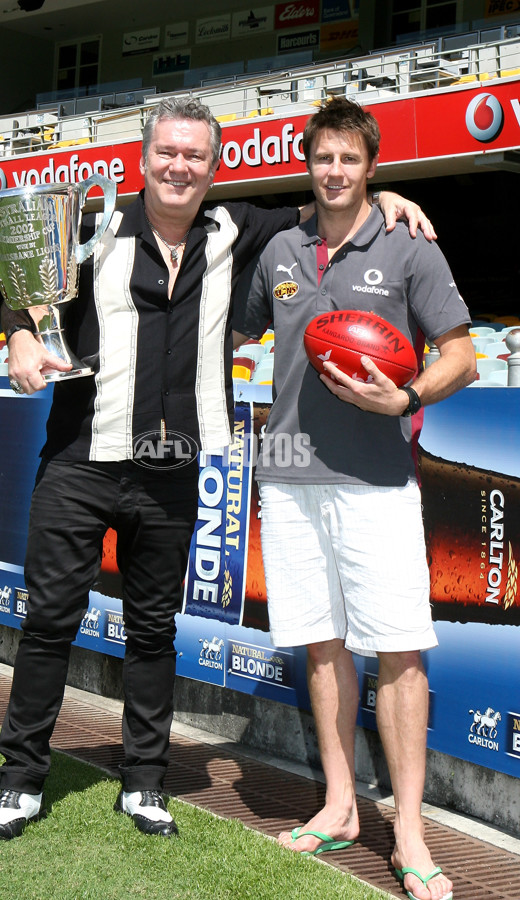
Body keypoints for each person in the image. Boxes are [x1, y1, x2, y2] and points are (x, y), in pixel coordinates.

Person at [0, 95, 436, 843]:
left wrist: (381, 193)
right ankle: (20, 781)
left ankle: (145, 782)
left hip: (172, 467)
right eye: (168, 152)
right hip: (80, 461)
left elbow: (329, 204)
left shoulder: (239, 230)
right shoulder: (91, 230)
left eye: (195, 155)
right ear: (143, 159)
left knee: (154, 631)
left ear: (214, 166)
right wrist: (22, 340)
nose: (179, 166)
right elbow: (24, 295)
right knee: (49, 622)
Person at [234, 96, 475, 900]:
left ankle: (408, 831)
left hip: (376, 484)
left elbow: (461, 354)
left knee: (399, 652)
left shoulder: (407, 243)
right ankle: (339, 804)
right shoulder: (282, 249)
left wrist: (405, 403)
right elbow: (233, 332)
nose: (334, 171)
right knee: (324, 647)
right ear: (307, 163)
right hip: (292, 480)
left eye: (349, 159)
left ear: (372, 168)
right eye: (322, 157)